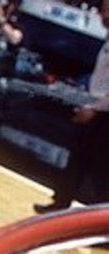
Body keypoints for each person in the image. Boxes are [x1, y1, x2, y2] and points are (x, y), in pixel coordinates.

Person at [33, 0, 109, 212]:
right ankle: (60, 204)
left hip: (104, 114)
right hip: (96, 106)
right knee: (77, 160)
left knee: (101, 172)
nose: (103, 15)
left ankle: (103, 226)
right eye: (102, 10)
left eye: (108, 10)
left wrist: (94, 108)